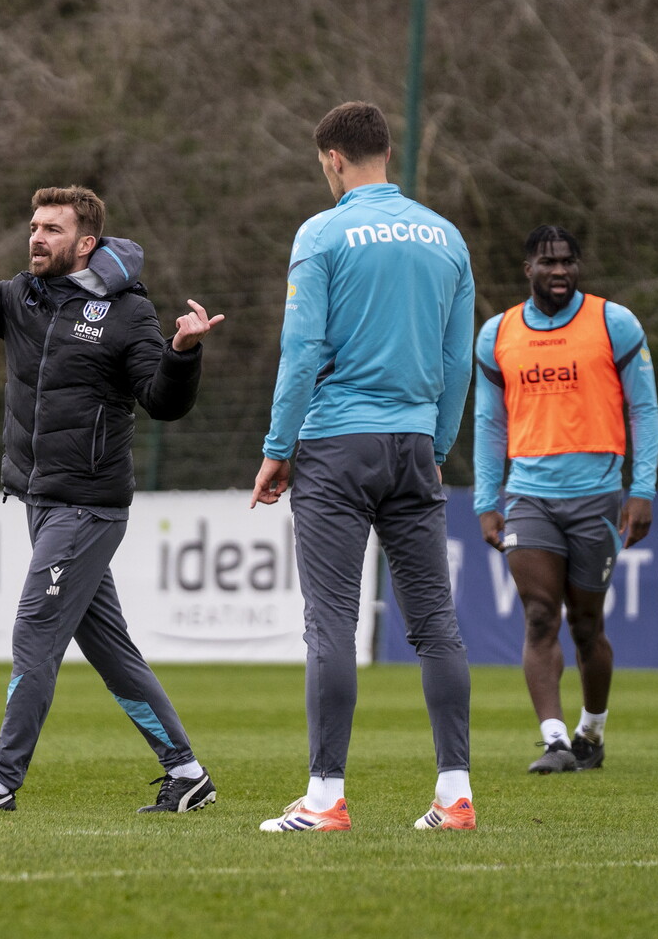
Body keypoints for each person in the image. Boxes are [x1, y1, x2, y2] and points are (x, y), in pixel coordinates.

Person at [0, 165, 224, 814]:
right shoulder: (21, 299)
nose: (36, 237)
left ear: (86, 243)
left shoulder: (127, 312)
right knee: (111, 651)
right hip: (42, 503)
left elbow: (163, 402)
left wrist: (182, 354)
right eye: (34, 226)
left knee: (34, 629)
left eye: (52, 229)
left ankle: (0, 782)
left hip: (88, 506)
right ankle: (187, 773)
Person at [251, 102, 476, 832]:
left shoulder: (322, 233)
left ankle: (325, 799)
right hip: (414, 446)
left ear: (334, 159)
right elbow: (456, 361)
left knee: (331, 623)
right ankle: (455, 795)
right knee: (436, 626)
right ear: (386, 151)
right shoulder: (445, 236)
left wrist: (278, 447)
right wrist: (435, 447)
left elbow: (301, 352)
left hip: (337, 447)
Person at [474, 226, 658, 775]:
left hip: (596, 496)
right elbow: (489, 422)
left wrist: (641, 490)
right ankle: (555, 740)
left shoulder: (614, 323)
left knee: (585, 624)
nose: (560, 270)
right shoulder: (497, 333)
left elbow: (644, 410)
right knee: (538, 616)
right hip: (528, 496)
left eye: (568, 261)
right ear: (527, 268)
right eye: (548, 261)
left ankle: (591, 733)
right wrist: (486, 499)